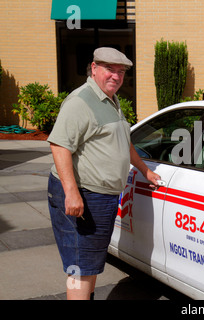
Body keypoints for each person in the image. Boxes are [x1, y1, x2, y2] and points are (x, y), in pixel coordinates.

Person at [47, 47, 160, 300]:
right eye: (110, 69)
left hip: (100, 197)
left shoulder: (110, 99)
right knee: (80, 266)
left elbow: (123, 141)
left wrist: (144, 170)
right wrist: (72, 193)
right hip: (85, 195)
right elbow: (60, 145)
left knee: (90, 261)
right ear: (94, 68)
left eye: (120, 72)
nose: (116, 77)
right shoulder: (81, 101)